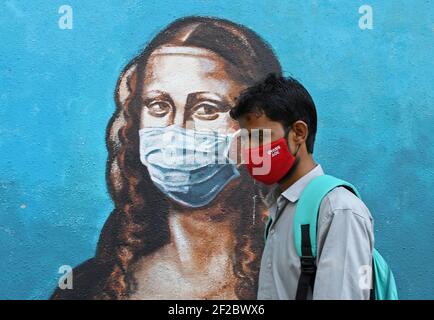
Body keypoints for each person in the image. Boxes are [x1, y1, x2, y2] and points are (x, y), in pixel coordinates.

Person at [51, 16, 283, 300]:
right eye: (158, 105)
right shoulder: (87, 289)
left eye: (207, 108)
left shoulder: (302, 282)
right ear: (135, 122)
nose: (176, 130)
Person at [229, 73, 374, 300]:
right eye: (246, 139)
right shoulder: (280, 209)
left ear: (298, 133)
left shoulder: (338, 210)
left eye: (259, 137)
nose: (250, 151)